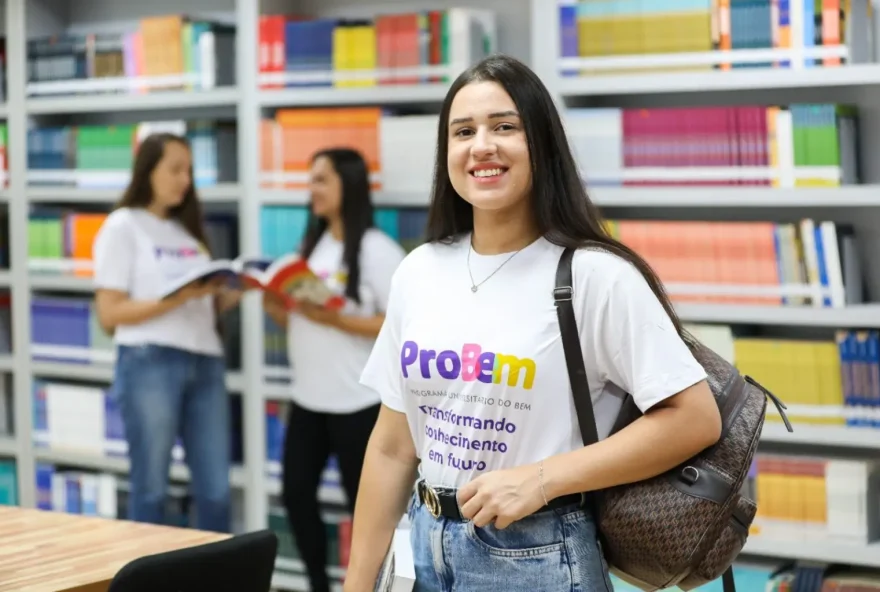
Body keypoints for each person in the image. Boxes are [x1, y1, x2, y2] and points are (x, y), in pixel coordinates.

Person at [343, 54, 723, 591]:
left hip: (539, 552)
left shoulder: (594, 275)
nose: (482, 146)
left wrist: (541, 480)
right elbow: (392, 446)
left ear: (541, 146)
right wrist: (358, 583)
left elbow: (695, 418)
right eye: (463, 131)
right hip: (424, 546)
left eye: (505, 127)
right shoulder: (419, 270)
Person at [262, 148, 406, 592]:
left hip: (357, 402)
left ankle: (379, 585)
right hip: (308, 398)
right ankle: (316, 585)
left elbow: (403, 322)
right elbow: (295, 318)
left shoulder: (379, 252)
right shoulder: (315, 245)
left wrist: (337, 318)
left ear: (349, 184)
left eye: (322, 179)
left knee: (369, 509)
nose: (313, 190)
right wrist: (276, 301)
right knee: (296, 495)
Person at [92, 132, 243, 533]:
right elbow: (109, 314)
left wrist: (232, 291)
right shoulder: (123, 226)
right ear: (148, 170)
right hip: (150, 362)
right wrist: (177, 298)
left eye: (189, 171)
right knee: (151, 489)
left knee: (215, 492)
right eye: (175, 169)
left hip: (205, 362)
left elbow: (201, 303)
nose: (185, 180)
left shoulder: (186, 233)